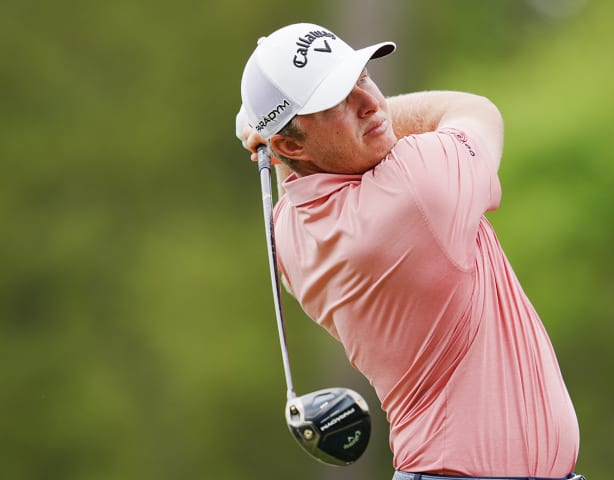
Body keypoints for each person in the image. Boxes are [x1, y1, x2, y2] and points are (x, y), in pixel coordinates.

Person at [235, 22, 584, 480]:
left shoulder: (289, 236)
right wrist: (269, 135)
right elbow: (472, 109)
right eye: (336, 101)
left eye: (361, 77)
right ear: (289, 143)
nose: (368, 103)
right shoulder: (415, 189)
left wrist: (275, 140)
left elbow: (300, 177)